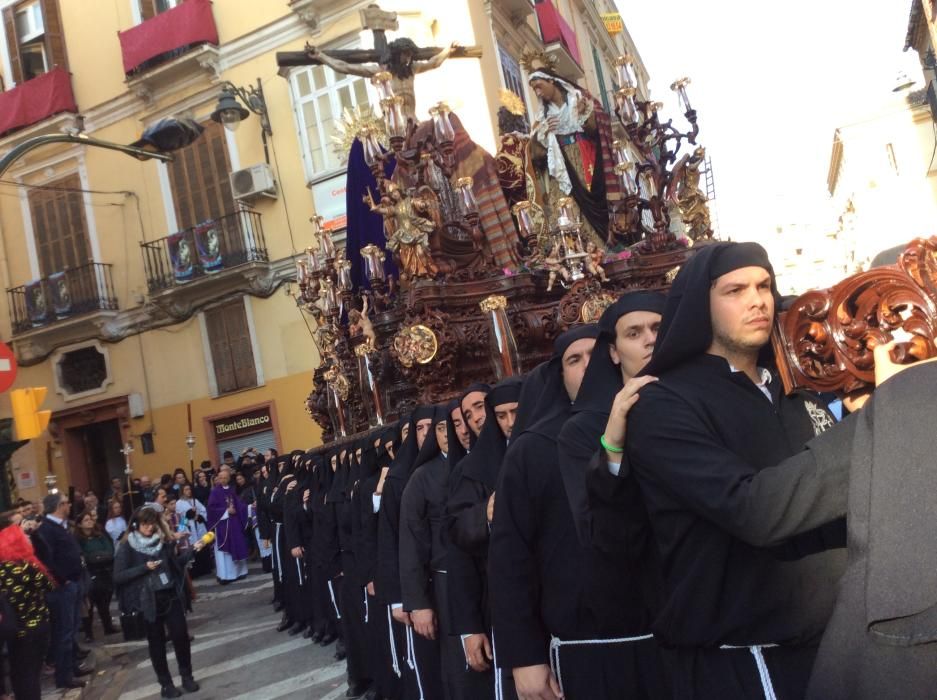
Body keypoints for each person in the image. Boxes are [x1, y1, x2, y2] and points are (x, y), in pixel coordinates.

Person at [625, 242, 860, 700]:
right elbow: (755, 510)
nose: (758, 300)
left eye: (765, 286)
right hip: (745, 660)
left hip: (837, 644)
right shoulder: (665, 404)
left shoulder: (799, 394)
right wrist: (872, 424)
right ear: (700, 306)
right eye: (735, 289)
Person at [399, 404, 467, 699]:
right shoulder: (421, 478)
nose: (448, 434)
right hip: (445, 583)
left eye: (450, 426)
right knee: (458, 664)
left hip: (486, 581)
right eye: (440, 429)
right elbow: (411, 544)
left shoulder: (479, 462)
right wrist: (418, 603)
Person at [114, 505, 207, 697]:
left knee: (180, 635)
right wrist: (144, 568)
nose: (149, 528)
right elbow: (118, 576)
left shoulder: (162, 542)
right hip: (147, 600)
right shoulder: (127, 546)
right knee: (156, 643)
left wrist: (193, 551)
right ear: (137, 525)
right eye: (145, 524)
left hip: (170, 594)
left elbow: (175, 565)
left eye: (152, 524)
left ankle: (187, 675)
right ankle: (166, 684)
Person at [527, 66, 621, 248]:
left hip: (586, 158)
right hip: (562, 168)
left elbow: (600, 127)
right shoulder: (542, 118)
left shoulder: (578, 100)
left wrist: (586, 115)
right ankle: (572, 252)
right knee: (565, 208)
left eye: (539, 86)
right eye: (534, 89)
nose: (538, 92)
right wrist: (543, 135)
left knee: (592, 208)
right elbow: (536, 155)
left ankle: (600, 250)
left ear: (552, 81)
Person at [34, 492, 89, 690]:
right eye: (65, 503)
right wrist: (61, 579)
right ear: (58, 506)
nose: (69, 506)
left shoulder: (62, 526)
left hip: (73, 582)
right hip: (61, 587)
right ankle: (64, 676)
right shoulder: (47, 529)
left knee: (72, 629)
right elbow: (47, 559)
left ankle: (73, 667)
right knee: (63, 632)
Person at [0, 511, 55, 700]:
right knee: (31, 675)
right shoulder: (27, 566)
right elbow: (49, 585)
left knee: (19, 674)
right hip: (36, 626)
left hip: (13, 630)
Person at [75, 510, 117, 639]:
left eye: (90, 519)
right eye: (86, 520)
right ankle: (88, 633)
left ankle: (108, 626)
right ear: (80, 524)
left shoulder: (100, 534)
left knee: (104, 601)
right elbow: (83, 556)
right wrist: (96, 557)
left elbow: (109, 549)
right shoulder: (78, 539)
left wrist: (100, 556)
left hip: (104, 571)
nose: (89, 522)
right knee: (89, 604)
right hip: (89, 573)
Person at [205, 467, 250, 583]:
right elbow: (211, 509)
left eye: (225, 478)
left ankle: (240, 572)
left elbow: (238, 504)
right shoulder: (215, 492)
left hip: (234, 524)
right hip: (223, 525)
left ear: (229, 478)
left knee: (238, 545)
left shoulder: (231, 490)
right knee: (225, 551)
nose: (223, 480)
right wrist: (226, 511)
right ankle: (226, 576)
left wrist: (247, 508)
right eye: (221, 478)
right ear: (218, 479)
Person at [176, 483, 211, 578]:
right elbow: (181, 518)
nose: (189, 491)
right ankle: (196, 571)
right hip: (190, 527)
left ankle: (206, 568)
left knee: (202, 545)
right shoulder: (179, 503)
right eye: (186, 489)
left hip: (198, 526)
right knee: (193, 548)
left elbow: (204, 511)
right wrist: (189, 514)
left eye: (189, 489)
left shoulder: (195, 500)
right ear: (182, 491)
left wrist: (199, 517)